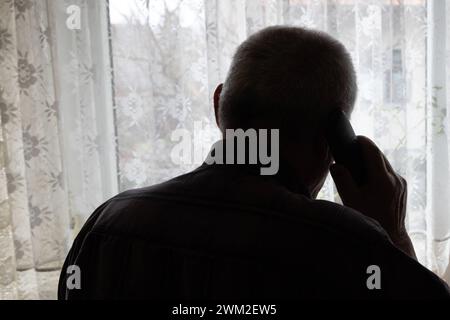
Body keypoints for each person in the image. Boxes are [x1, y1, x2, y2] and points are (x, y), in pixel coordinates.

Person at [58, 26, 449, 299]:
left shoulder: (106, 225)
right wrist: (393, 234)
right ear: (334, 136)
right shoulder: (351, 247)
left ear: (218, 104)